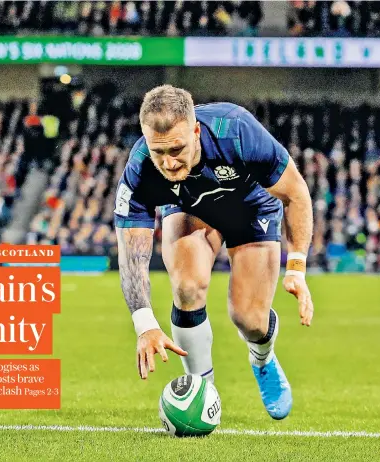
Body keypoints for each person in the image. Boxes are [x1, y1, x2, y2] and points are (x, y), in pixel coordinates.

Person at [114, 85, 314, 420]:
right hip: (190, 208)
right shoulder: (141, 169)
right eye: (157, 151)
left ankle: (262, 357)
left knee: (250, 319)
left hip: (251, 207)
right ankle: (202, 393)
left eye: (176, 149)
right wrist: (144, 323)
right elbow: (131, 255)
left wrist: (296, 267)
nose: (168, 162)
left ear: (195, 131)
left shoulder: (236, 131)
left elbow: (295, 193)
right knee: (186, 285)